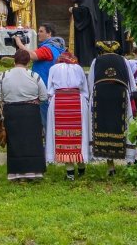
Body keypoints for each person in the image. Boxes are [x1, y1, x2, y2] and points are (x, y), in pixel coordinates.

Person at [0, 49, 48, 180]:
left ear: (14, 61)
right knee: (33, 140)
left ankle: (16, 173)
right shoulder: (34, 76)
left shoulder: (4, 75)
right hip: (31, 111)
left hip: (11, 111)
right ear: (28, 62)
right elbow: (44, 96)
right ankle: (34, 172)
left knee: (14, 141)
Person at [88, 41, 137, 175]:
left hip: (100, 96)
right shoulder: (123, 60)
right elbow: (132, 84)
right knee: (123, 126)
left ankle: (111, 167)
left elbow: (90, 83)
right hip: (120, 95)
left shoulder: (96, 61)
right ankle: (129, 163)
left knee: (102, 126)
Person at [46, 51, 90, 180]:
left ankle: (70, 172)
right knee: (80, 134)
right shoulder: (78, 68)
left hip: (59, 101)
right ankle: (81, 168)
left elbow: (50, 89)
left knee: (63, 135)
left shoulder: (53, 68)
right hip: (77, 100)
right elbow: (85, 89)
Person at [12, 23, 65, 126]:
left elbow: (31, 55)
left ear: (49, 34)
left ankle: (48, 141)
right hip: (50, 86)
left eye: (41, 31)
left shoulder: (47, 48)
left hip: (44, 87)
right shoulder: (55, 47)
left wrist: (19, 44)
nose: (38, 34)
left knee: (47, 121)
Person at [69, 0, 98, 67]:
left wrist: (73, 10)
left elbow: (83, 9)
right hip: (87, 25)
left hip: (85, 26)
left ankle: (85, 61)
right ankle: (84, 61)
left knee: (84, 44)